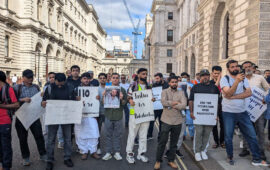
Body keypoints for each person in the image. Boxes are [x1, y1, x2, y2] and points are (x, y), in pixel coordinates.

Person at [220, 60, 268, 166]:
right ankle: (230, 156)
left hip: (242, 112)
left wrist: (233, 97)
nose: (235, 68)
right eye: (232, 67)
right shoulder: (225, 79)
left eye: (236, 66)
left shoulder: (244, 78)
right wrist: (236, 82)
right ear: (228, 69)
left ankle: (257, 158)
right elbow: (228, 93)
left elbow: (249, 93)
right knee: (228, 137)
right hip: (228, 113)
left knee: (251, 135)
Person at [42, 73, 78, 170]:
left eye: (62, 83)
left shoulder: (70, 87)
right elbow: (43, 101)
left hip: (66, 117)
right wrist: (43, 103)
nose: (60, 85)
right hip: (53, 117)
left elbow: (74, 100)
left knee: (67, 139)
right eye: (58, 83)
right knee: (51, 139)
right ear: (55, 80)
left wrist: (78, 101)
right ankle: (50, 160)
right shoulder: (49, 88)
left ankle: (67, 158)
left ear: (65, 81)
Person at [13, 69, 46, 166]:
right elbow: (12, 101)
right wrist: (22, 99)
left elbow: (39, 100)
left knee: (39, 136)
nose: (30, 79)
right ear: (23, 77)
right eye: (28, 77)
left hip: (34, 116)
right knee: (23, 138)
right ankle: (26, 158)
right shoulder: (16, 88)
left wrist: (42, 99)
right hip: (21, 117)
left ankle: (43, 154)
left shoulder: (36, 87)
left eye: (31, 77)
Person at [154, 76, 187, 170]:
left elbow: (184, 105)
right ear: (169, 83)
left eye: (176, 82)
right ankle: (158, 161)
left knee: (174, 143)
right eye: (172, 82)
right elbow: (164, 103)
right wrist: (176, 103)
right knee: (162, 142)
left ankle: (171, 160)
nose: (174, 84)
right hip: (166, 120)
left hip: (178, 121)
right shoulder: (164, 92)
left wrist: (172, 104)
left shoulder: (181, 92)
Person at [239, 61, 269, 160]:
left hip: (259, 111)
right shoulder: (240, 80)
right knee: (246, 130)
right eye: (245, 67)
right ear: (243, 69)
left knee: (260, 131)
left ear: (253, 68)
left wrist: (265, 98)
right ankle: (245, 149)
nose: (247, 69)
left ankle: (261, 151)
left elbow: (268, 89)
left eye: (249, 67)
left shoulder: (260, 78)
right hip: (245, 110)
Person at [189, 69, 220, 161]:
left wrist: (216, 114)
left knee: (207, 133)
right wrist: (191, 112)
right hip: (198, 115)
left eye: (206, 75)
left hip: (210, 115)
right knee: (198, 133)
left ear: (209, 76)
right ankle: (197, 151)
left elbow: (217, 102)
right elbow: (191, 100)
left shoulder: (214, 87)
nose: (205, 77)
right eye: (203, 75)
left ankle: (203, 150)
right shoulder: (196, 87)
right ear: (200, 77)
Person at [126, 68, 152, 164]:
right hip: (135, 114)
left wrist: (152, 99)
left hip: (146, 114)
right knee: (132, 135)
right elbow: (128, 96)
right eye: (143, 74)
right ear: (138, 75)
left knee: (143, 135)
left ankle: (141, 153)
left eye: (146, 74)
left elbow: (150, 97)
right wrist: (130, 100)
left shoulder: (149, 86)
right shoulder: (133, 85)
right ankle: (129, 154)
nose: (145, 75)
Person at [74, 72, 100, 160]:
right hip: (80, 114)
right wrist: (76, 99)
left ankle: (93, 151)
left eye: (88, 79)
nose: (86, 80)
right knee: (81, 132)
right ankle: (84, 151)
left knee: (93, 131)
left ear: (90, 79)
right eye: (84, 78)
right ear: (81, 79)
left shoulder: (94, 89)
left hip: (91, 114)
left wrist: (98, 98)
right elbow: (71, 102)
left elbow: (98, 102)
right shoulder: (76, 89)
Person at [102, 73, 127, 161]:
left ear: (119, 79)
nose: (115, 79)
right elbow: (103, 103)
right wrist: (103, 96)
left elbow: (124, 104)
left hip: (118, 115)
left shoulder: (122, 90)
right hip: (108, 115)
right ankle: (108, 152)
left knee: (117, 134)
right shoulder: (107, 89)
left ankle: (117, 152)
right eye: (114, 78)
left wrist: (121, 99)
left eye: (117, 78)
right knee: (107, 134)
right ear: (111, 79)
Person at [0, 71, 20, 170]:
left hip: (5, 121)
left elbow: (16, 104)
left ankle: (6, 166)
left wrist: (2, 106)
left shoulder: (9, 89)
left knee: (5, 146)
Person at [148, 73, 169, 140]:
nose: (156, 80)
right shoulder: (154, 85)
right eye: (155, 78)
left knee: (161, 123)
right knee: (151, 121)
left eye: (157, 78)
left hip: (163, 108)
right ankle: (149, 135)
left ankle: (160, 136)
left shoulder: (166, 85)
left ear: (161, 78)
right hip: (155, 107)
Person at [210, 66, 224, 148]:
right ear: (212, 73)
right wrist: (218, 80)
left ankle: (222, 141)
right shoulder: (210, 82)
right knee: (214, 125)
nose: (216, 75)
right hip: (213, 106)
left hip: (223, 106)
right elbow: (214, 90)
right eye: (215, 73)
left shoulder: (224, 82)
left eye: (218, 73)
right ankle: (216, 141)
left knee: (223, 125)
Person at [180, 72, 194, 141]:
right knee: (183, 122)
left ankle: (192, 135)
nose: (184, 78)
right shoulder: (178, 85)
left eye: (185, 77)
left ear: (188, 78)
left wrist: (192, 90)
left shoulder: (191, 85)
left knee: (190, 122)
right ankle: (183, 135)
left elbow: (194, 95)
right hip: (181, 106)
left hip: (189, 106)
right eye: (182, 77)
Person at [97, 73, 107, 155]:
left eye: (104, 78)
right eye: (101, 78)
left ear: (106, 79)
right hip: (99, 112)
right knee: (98, 131)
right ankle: (98, 147)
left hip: (108, 112)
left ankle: (108, 148)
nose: (102, 79)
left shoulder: (109, 89)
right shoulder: (96, 89)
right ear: (99, 79)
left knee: (109, 130)